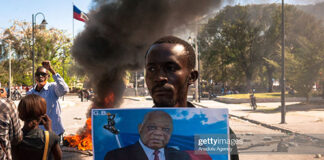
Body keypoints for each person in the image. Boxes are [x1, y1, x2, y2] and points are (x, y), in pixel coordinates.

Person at [144, 36, 239, 160]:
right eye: (151, 69)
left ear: (192, 77)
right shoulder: (126, 137)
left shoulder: (219, 133)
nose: (159, 77)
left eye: (170, 68)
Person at [105, 110, 191, 160]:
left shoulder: (182, 157)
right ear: (140, 128)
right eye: (152, 127)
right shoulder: (116, 157)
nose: (158, 133)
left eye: (165, 129)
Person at [27, 60, 69, 137]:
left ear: (48, 76)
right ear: (35, 76)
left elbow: (65, 90)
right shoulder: (30, 93)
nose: (40, 77)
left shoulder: (52, 88)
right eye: (38, 74)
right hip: (38, 134)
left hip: (55, 132)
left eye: (43, 74)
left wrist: (51, 69)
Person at [15, 94, 62, 160]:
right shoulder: (49, 137)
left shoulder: (15, 137)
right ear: (43, 115)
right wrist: (49, 130)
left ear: (20, 115)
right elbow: (58, 157)